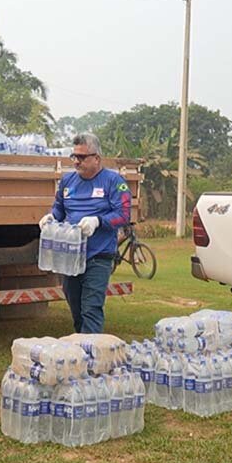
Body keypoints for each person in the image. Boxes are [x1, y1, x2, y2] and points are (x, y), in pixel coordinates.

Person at [39, 133, 131, 333]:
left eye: (81, 157)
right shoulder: (67, 181)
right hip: (71, 257)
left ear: (96, 158)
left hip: (98, 255)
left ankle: (91, 356)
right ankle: (81, 350)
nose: (76, 162)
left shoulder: (114, 181)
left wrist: (98, 221)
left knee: (91, 308)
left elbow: (123, 215)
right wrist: (51, 217)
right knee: (76, 308)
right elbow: (59, 208)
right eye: (74, 156)